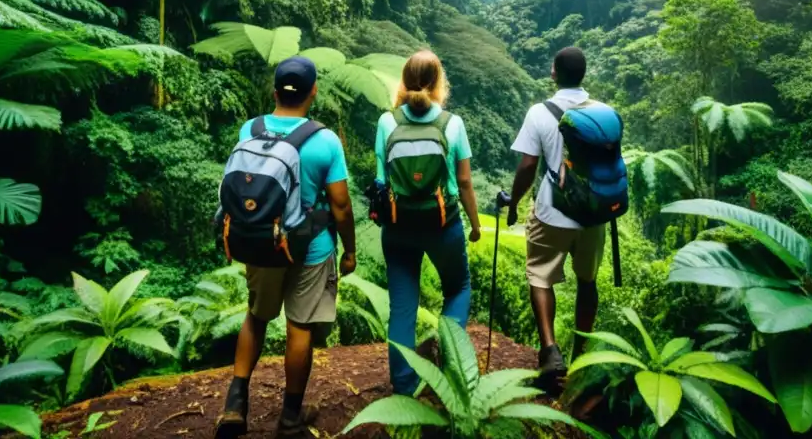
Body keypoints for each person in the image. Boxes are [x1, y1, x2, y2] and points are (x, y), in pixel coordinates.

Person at [215, 56, 356, 439]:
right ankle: (290, 418)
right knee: (300, 327)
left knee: (256, 317)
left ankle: (235, 404)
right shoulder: (324, 140)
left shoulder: (251, 127)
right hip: (309, 251)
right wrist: (349, 250)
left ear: (275, 91)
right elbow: (341, 206)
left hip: (260, 242)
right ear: (313, 93)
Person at [374, 49, 481, 395]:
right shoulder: (452, 123)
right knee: (459, 288)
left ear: (404, 81)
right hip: (442, 225)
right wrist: (475, 224)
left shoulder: (387, 121)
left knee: (403, 305)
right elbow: (464, 183)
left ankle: (405, 387)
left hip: (398, 225)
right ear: (438, 83)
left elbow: (380, 180)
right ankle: (451, 365)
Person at [506, 46, 606, 387]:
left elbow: (529, 166)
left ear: (554, 73)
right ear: (584, 74)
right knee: (587, 281)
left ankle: (550, 352)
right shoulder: (602, 111)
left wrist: (514, 201)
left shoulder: (538, 112)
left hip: (551, 212)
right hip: (593, 214)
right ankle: (581, 358)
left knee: (540, 276)